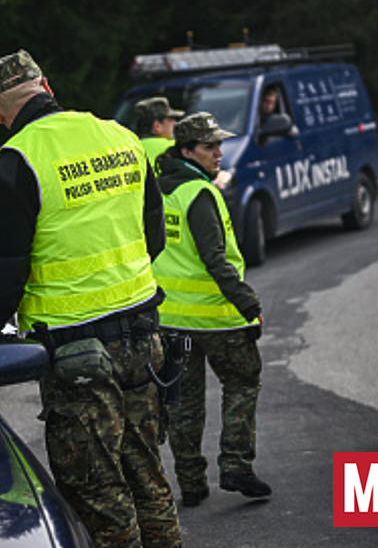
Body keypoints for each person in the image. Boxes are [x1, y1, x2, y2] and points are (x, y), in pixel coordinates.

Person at [0, 50, 181, 548]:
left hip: (76, 353)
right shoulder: (121, 136)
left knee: (98, 491)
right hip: (145, 337)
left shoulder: (14, 162)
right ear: (45, 82)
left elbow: (0, 276)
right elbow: (152, 240)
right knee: (147, 476)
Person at [152, 112, 272, 507]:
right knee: (243, 379)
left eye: (219, 144)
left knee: (185, 403)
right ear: (186, 150)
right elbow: (215, 259)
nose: (219, 152)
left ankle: (191, 485)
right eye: (209, 146)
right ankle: (236, 464)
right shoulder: (200, 194)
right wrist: (248, 303)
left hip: (170, 320)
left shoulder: (156, 190)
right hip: (216, 317)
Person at [133, 96, 183, 170]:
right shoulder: (173, 147)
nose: (175, 123)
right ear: (157, 126)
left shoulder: (131, 148)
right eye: (170, 120)